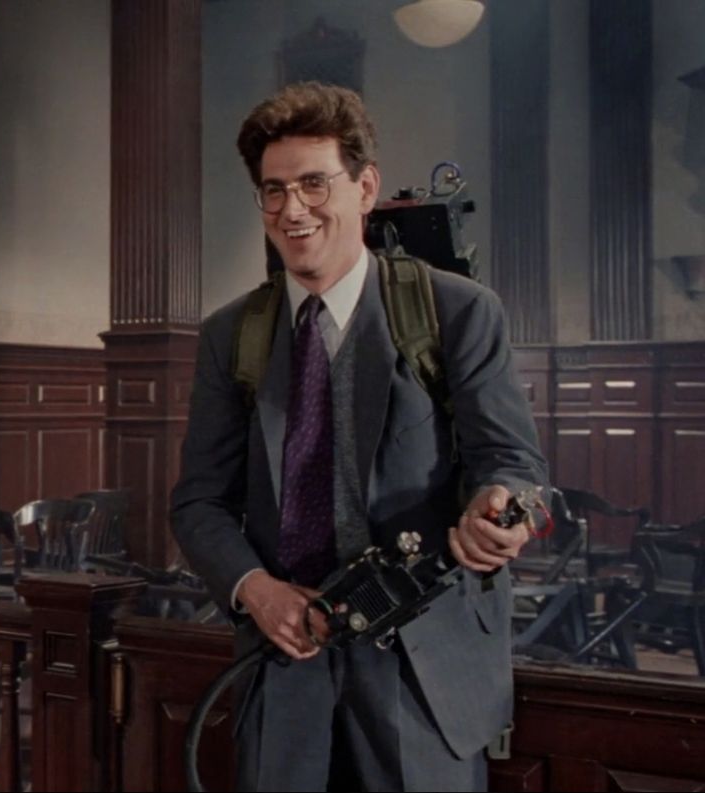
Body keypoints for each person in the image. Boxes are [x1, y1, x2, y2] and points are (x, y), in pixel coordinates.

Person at [171, 81, 549, 793]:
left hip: (420, 666)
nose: (293, 209)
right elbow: (198, 503)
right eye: (273, 190)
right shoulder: (231, 335)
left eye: (315, 183)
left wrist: (498, 504)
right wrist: (255, 589)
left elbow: (512, 462)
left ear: (365, 187)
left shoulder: (456, 311)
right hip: (284, 662)